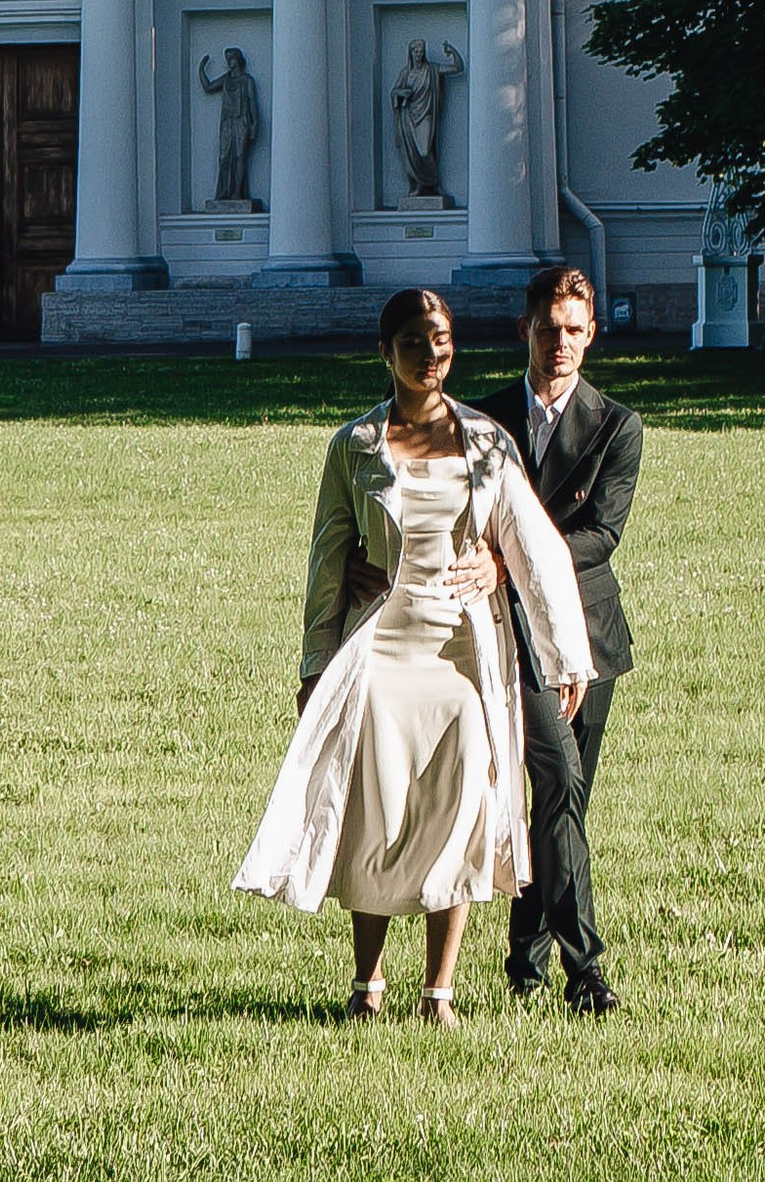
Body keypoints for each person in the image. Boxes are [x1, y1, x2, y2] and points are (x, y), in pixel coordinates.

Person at [236, 287, 593, 1022]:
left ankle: (440, 989)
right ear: (385, 352)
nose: (432, 356)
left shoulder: (487, 441)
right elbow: (328, 558)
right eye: (414, 344)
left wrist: (565, 659)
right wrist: (315, 663)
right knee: (378, 811)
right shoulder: (354, 447)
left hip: (462, 650)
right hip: (383, 647)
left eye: (442, 342)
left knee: (456, 809)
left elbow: (534, 548)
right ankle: (367, 983)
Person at [482, 261, 643, 1013]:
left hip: (588, 636)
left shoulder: (616, 426)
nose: (561, 344)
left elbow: (600, 535)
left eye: (575, 330)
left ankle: (526, 959)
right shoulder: (481, 425)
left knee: (562, 800)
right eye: (549, 329)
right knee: (561, 786)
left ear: (591, 337)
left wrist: (512, 550)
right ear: (527, 329)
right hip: (507, 628)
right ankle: (586, 972)